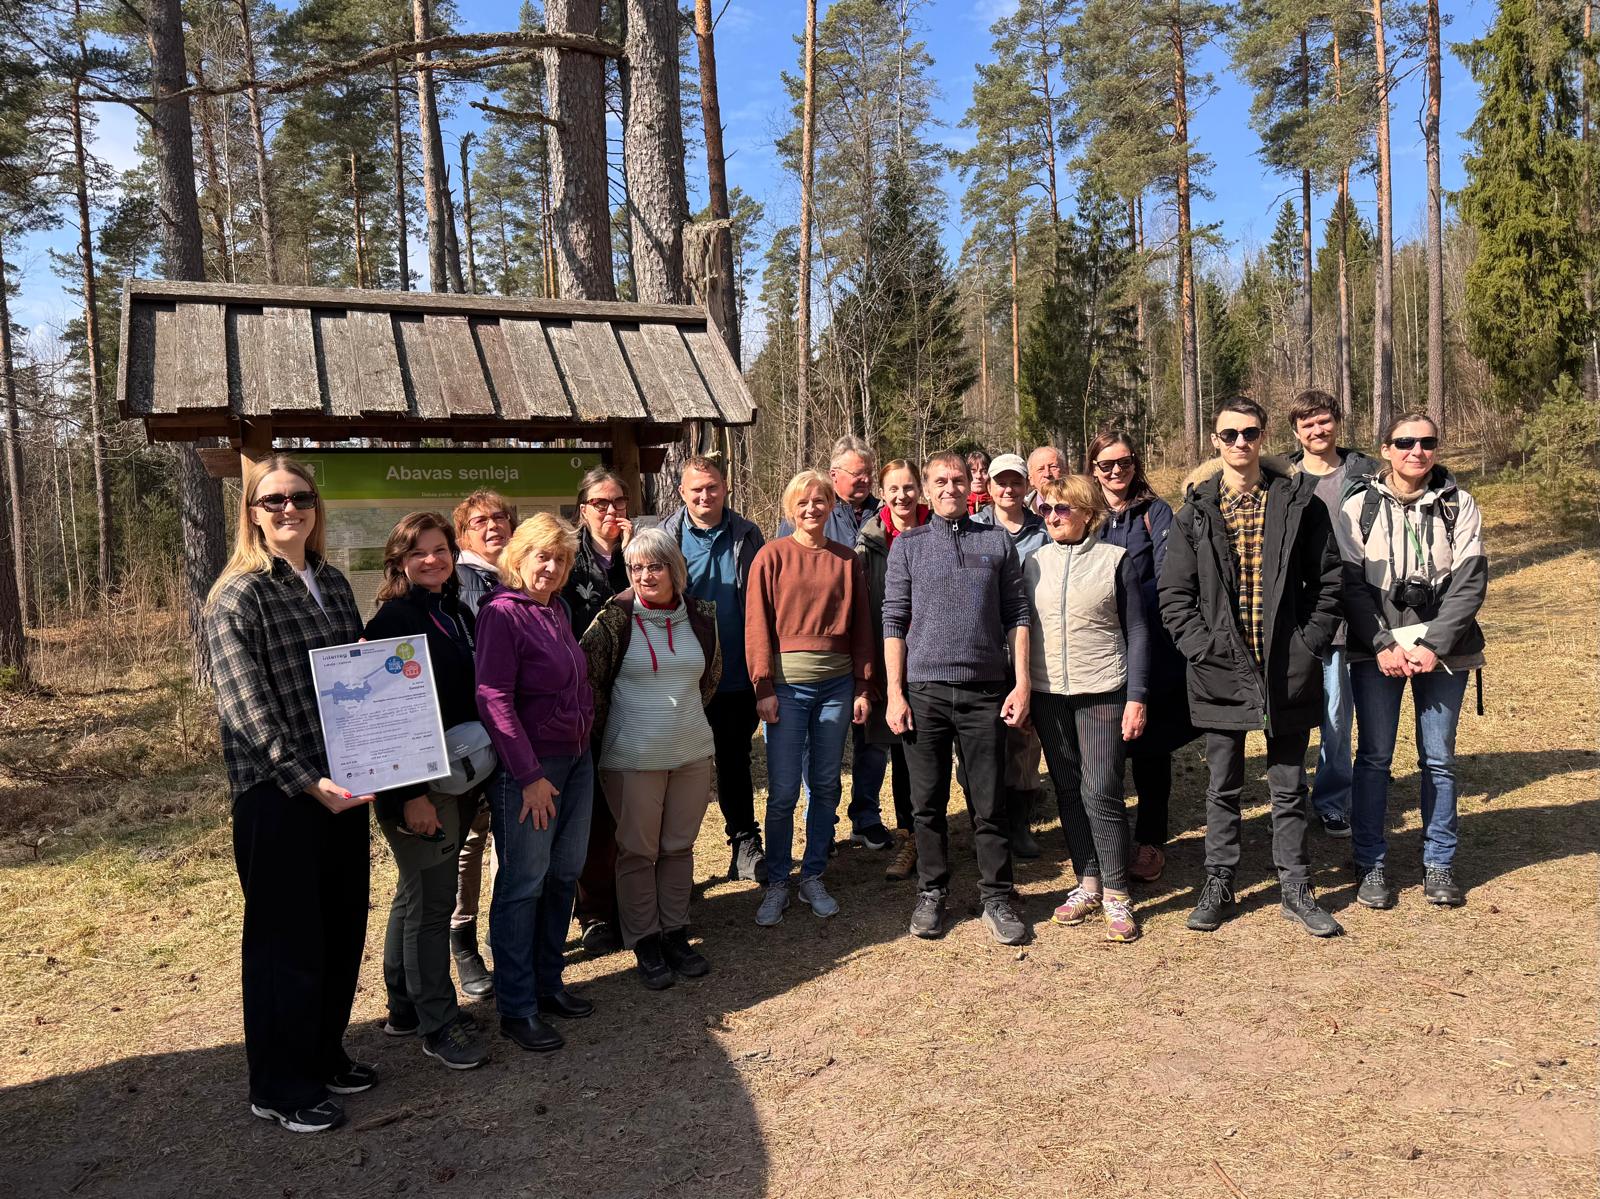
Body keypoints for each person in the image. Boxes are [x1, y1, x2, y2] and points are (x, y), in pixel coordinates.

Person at [204, 454, 374, 1135]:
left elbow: (355, 677)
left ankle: (325, 1054)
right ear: (251, 511)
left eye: (299, 497)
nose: (287, 510)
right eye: (272, 500)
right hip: (277, 795)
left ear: (314, 507)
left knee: (340, 929)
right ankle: (280, 1085)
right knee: (287, 942)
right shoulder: (237, 596)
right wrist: (307, 779)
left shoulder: (330, 582)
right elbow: (247, 710)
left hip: (343, 782)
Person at [1158, 397, 1344, 938]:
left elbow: (1328, 581)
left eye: (1251, 432)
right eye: (1230, 433)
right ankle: (1219, 881)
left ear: (1264, 437)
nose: (1241, 442)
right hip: (1220, 667)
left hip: (1286, 666)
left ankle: (1296, 884)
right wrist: (1200, 646)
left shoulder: (1300, 503)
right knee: (1223, 786)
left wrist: (1308, 642)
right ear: (1215, 440)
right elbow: (1175, 594)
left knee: (1289, 785)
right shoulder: (1194, 513)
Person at [1338, 413, 1486, 910]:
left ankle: (1439, 863)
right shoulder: (1359, 506)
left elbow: (1470, 582)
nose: (1416, 451)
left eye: (1426, 442)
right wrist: (1381, 643)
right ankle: (1371, 863)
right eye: (1404, 442)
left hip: (1444, 651)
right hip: (1376, 649)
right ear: (1385, 448)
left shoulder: (1459, 505)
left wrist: (1434, 644)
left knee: (1439, 759)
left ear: (1436, 450)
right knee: (1375, 758)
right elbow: (1350, 586)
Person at [883, 451, 1031, 945]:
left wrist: (1022, 682)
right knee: (926, 803)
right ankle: (932, 891)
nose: (950, 487)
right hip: (923, 693)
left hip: (985, 690)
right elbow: (894, 622)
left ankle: (996, 895)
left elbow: (1018, 616)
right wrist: (894, 693)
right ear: (926, 490)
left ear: (974, 485)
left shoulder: (996, 542)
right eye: (940, 481)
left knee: (989, 801)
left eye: (958, 480)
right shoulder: (907, 546)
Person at [364, 513, 489, 1070]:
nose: (433, 560)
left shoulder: (454, 611)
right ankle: (438, 1025)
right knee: (433, 905)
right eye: (419, 553)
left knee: (414, 893)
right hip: (416, 785)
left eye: (441, 550)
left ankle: (404, 1008)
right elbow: (386, 715)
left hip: (454, 776)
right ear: (399, 561)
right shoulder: (396, 619)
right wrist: (411, 795)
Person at [476, 514, 596, 1053]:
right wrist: (527, 776)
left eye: (561, 559)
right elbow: (493, 698)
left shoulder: (557, 609)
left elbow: (576, 679)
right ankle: (517, 1006)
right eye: (541, 556)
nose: (551, 567)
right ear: (518, 559)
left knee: (563, 874)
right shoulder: (502, 614)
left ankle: (550, 985)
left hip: (575, 760)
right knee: (523, 882)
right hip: (532, 770)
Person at [581, 529, 722, 988]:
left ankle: (675, 932)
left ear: (674, 570)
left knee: (678, 847)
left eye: (655, 566)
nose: (645, 575)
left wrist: (679, 721)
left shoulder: (701, 617)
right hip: (632, 757)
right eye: (636, 568)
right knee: (638, 852)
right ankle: (644, 939)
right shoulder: (613, 619)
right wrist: (624, 731)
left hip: (691, 752)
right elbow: (591, 687)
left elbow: (711, 677)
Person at [746, 470, 874, 926]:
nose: (811, 508)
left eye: (819, 500)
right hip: (785, 690)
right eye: (802, 501)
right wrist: (762, 687)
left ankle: (813, 874)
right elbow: (757, 626)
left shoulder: (846, 560)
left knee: (825, 786)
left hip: (837, 689)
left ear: (830, 505)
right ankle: (779, 879)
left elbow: (862, 627)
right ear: (789, 508)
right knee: (781, 792)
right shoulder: (771, 557)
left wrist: (862, 686)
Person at [1026, 476, 1150, 942]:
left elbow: (1138, 631)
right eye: (1046, 510)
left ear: (1087, 512)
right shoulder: (1033, 563)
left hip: (1103, 690)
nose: (1053, 517)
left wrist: (1136, 697)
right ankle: (1088, 881)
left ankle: (1118, 892)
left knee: (1101, 789)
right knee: (1069, 789)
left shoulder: (1115, 561)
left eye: (1062, 509)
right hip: (1048, 693)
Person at [654, 455, 769, 885]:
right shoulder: (665, 537)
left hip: (737, 675)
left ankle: (744, 845)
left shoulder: (747, 534)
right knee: (676, 769)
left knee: (735, 761)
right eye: (696, 489)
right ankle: (673, 864)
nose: (705, 495)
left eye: (713, 487)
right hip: (682, 677)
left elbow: (763, 602)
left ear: (725, 488)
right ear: (682, 492)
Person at [776, 436, 893, 854]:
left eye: (867, 472)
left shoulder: (886, 513)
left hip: (876, 641)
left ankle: (866, 815)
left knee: (873, 739)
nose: (862, 480)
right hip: (816, 659)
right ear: (834, 476)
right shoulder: (812, 513)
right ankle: (818, 817)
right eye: (853, 473)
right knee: (815, 745)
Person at [1088, 430, 1194, 884]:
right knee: (1103, 748)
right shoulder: (1084, 512)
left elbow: (1170, 576)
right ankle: (1106, 837)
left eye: (1125, 462)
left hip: (1148, 644)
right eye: (1107, 464)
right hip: (1096, 648)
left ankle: (1150, 841)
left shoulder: (1155, 512)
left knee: (1150, 748)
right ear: (1092, 469)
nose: (1116, 471)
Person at [1287, 391, 1379, 839]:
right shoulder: (1283, 478)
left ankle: (1332, 800)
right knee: (1301, 709)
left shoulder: (1364, 473)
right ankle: (1289, 799)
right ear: (1296, 431)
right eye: (1308, 424)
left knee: (1338, 714)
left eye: (1324, 421)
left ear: (1337, 422)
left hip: (1354, 606)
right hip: (1301, 609)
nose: (1317, 431)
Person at [447, 490, 517, 1000]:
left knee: (507, 841)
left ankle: (502, 937)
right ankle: (463, 940)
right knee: (470, 843)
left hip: (513, 732)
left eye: (499, 517)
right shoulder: (460, 583)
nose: (492, 526)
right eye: (480, 521)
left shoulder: (513, 577)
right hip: (471, 735)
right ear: (463, 535)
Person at [562, 468, 633, 955]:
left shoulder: (641, 554)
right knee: (594, 814)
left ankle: (632, 900)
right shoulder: (569, 562)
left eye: (619, 502)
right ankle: (593, 911)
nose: (612, 512)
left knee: (632, 805)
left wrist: (633, 558)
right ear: (583, 510)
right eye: (601, 504)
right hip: (586, 699)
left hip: (638, 697)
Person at [970, 453, 1050, 858]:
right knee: (981, 739)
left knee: (1023, 738)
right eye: (1000, 482)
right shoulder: (974, 528)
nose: (1007, 489)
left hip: (1029, 644)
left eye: (1015, 482)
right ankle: (985, 823)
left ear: (1025, 486)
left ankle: (1019, 824)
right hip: (982, 645)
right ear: (989, 486)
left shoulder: (1043, 529)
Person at [856, 459, 929, 883]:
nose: (901, 496)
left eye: (908, 487)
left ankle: (971, 833)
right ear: (882, 493)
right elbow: (865, 612)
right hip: (893, 661)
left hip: (938, 656)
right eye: (893, 489)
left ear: (919, 490)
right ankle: (911, 838)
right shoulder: (869, 543)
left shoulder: (940, 528)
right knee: (903, 749)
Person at [774, 434, 883, 545]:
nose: (865, 479)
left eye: (869, 473)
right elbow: (783, 555)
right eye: (857, 474)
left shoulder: (884, 514)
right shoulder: (809, 514)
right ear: (834, 475)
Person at [1025, 445, 1066, 510]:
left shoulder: (1082, 506)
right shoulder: (1021, 510)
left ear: (1065, 472)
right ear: (1031, 479)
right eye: (1040, 469)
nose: (1047, 474)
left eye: (1053, 467)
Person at [966, 448, 993, 513]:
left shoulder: (999, 505)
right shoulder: (957, 504)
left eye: (984, 471)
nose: (978, 476)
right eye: (973, 471)